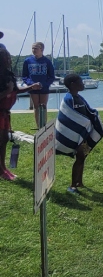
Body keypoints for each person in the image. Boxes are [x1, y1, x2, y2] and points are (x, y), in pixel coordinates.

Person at [55, 74, 103, 194]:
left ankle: (79, 182)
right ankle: (72, 185)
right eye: (80, 82)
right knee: (79, 158)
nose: (83, 84)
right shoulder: (69, 99)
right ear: (73, 84)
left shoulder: (79, 98)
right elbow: (68, 117)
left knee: (82, 157)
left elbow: (88, 111)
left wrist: (94, 117)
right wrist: (85, 123)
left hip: (82, 135)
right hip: (75, 135)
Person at [0, 47, 41, 180]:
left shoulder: (7, 74)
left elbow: (16, 90)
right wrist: (6, 92)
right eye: (6, 57)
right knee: (0, 140)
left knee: (4, 139)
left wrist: (30, 87)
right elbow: (8, 91)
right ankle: (1, 171)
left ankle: (3, 168)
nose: (9, 59)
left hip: (5, 113)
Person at [22, 42, 56, 129]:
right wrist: (31, 84)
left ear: (41, 49)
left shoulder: (47, 61)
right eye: (33, 48)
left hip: (44, 87)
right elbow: (24, 76)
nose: (34, 50)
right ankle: (39, 127)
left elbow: (51, 76)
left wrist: (44, 84)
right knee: (36, 107)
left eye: (36, 48)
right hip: (33, 87)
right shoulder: (27, 61)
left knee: (43, 106)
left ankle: (44, 126)